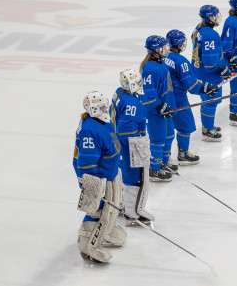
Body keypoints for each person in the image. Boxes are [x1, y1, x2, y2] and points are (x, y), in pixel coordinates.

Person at [73, 90, 126, 263]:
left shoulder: (101, 121)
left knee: (112, 206)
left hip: (109, 172)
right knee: (96, 209)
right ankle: (87, 246)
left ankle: (106, 230)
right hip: (97, 177)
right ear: (94, 109)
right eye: (103, 106)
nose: (106, 108)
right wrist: (94, 184)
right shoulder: (89, 129)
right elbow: (87, 162)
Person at [164, 29, 219, 155]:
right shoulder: (180, 61)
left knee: (166, 130)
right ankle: (183, 153)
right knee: (185, 126)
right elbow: (191, 84)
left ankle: (163, 160)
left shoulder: (163, 58)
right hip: (178, 99)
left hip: (165, 98)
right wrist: (205, 88)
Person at [111, 69, 154, 226]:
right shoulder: (133, 104)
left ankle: (122, 205)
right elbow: (128, 131)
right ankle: (131, 215)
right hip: (130, 146)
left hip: (119, 144)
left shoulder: (120, 93)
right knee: (133, 178)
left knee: (123, 175)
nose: (141, 84)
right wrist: (140, 149)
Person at [191, 5, 235, 135]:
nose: (217, 18)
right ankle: (207, 129)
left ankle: (207, 125)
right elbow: (210, 63)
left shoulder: (198, 29)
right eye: (215, 16)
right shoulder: (210, 35)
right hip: (208, 75)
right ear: (210, 18)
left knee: (208, 101)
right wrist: (222, 69)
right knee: (210, 102)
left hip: (200, 72)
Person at [139, 35, 177, 182]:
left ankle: (163, 162)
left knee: (169, 135)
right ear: (155, 50)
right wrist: (159, 105)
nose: (166, 49)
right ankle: (155, 169)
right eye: (163, 48)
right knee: (158, 139)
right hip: (156, 112)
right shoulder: (149, 68)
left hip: (166, 108)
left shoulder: (161, 63)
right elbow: (148, 93)